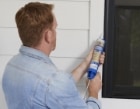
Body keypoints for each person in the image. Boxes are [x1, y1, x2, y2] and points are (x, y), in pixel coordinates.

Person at [2, 2, 105, 109]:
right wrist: (93, 92)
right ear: (48, 35)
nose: (56, 32)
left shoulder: (12, 65)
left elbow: (55, 88)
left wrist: (86, 64)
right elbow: (55, 86)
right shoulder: (53, 82)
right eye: (55, 28)